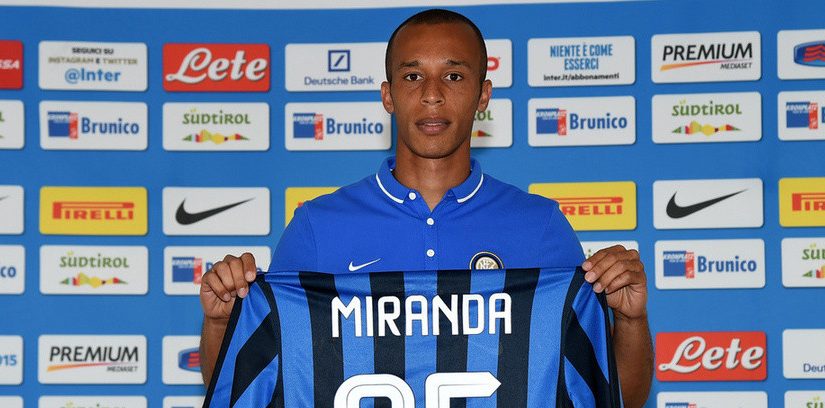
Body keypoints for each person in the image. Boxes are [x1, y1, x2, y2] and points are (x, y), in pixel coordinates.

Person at [199, 9, 652, 407]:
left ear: (484, 94)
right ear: (388, 95)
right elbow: (247, 389)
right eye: (413, 76)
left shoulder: (540, 226)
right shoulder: (317, 226)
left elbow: (617, 398)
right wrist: (221, 323)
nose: (432, 94)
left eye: (454, 76)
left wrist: (630, 319)